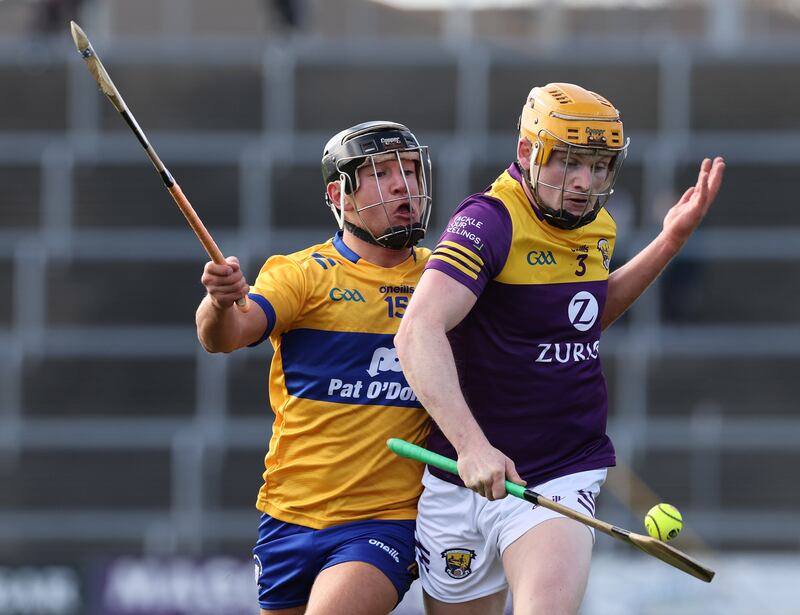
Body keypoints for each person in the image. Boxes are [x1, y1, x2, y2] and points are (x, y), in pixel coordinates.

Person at [394, 83, 725, 615]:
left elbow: (584, 318)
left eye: (598, 166)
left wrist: (669, 241)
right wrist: (473, 447)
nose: (584, 183)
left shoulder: (599, 227)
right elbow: (417, 332)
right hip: (463, 475)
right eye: (569, 162)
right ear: (527, 153)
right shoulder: (488, 222)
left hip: (560, 468)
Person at [196, 121, 433, 615]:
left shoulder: (441, 280)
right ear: (339, 194)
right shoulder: (302, 274)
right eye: (381, 173)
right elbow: (226, 335)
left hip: (384, 522)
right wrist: (219, 302)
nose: (402, 185)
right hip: (287, 515)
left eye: (410, 171)